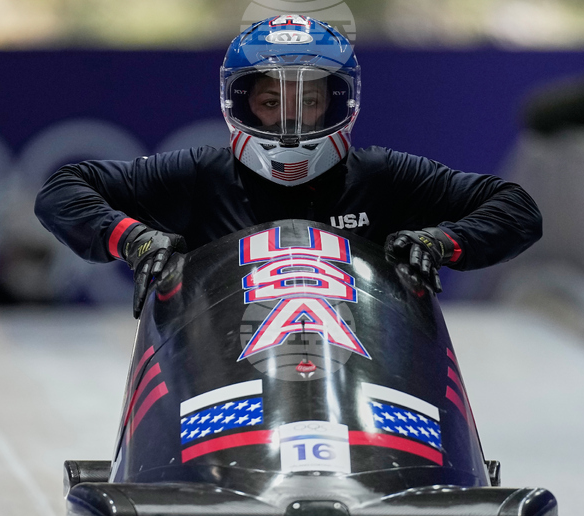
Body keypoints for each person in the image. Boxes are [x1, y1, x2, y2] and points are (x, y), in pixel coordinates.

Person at [35, 14, 542, 317]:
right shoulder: (198, 176)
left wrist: (439, 242)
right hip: (225, 376)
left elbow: (516, 208)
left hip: (363, 376)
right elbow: (63, 187)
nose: (291, 123)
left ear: (340, 103)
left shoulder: (384, 176)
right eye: (271, 102)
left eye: (311, 101)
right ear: (240, 103)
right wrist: (133, 239)